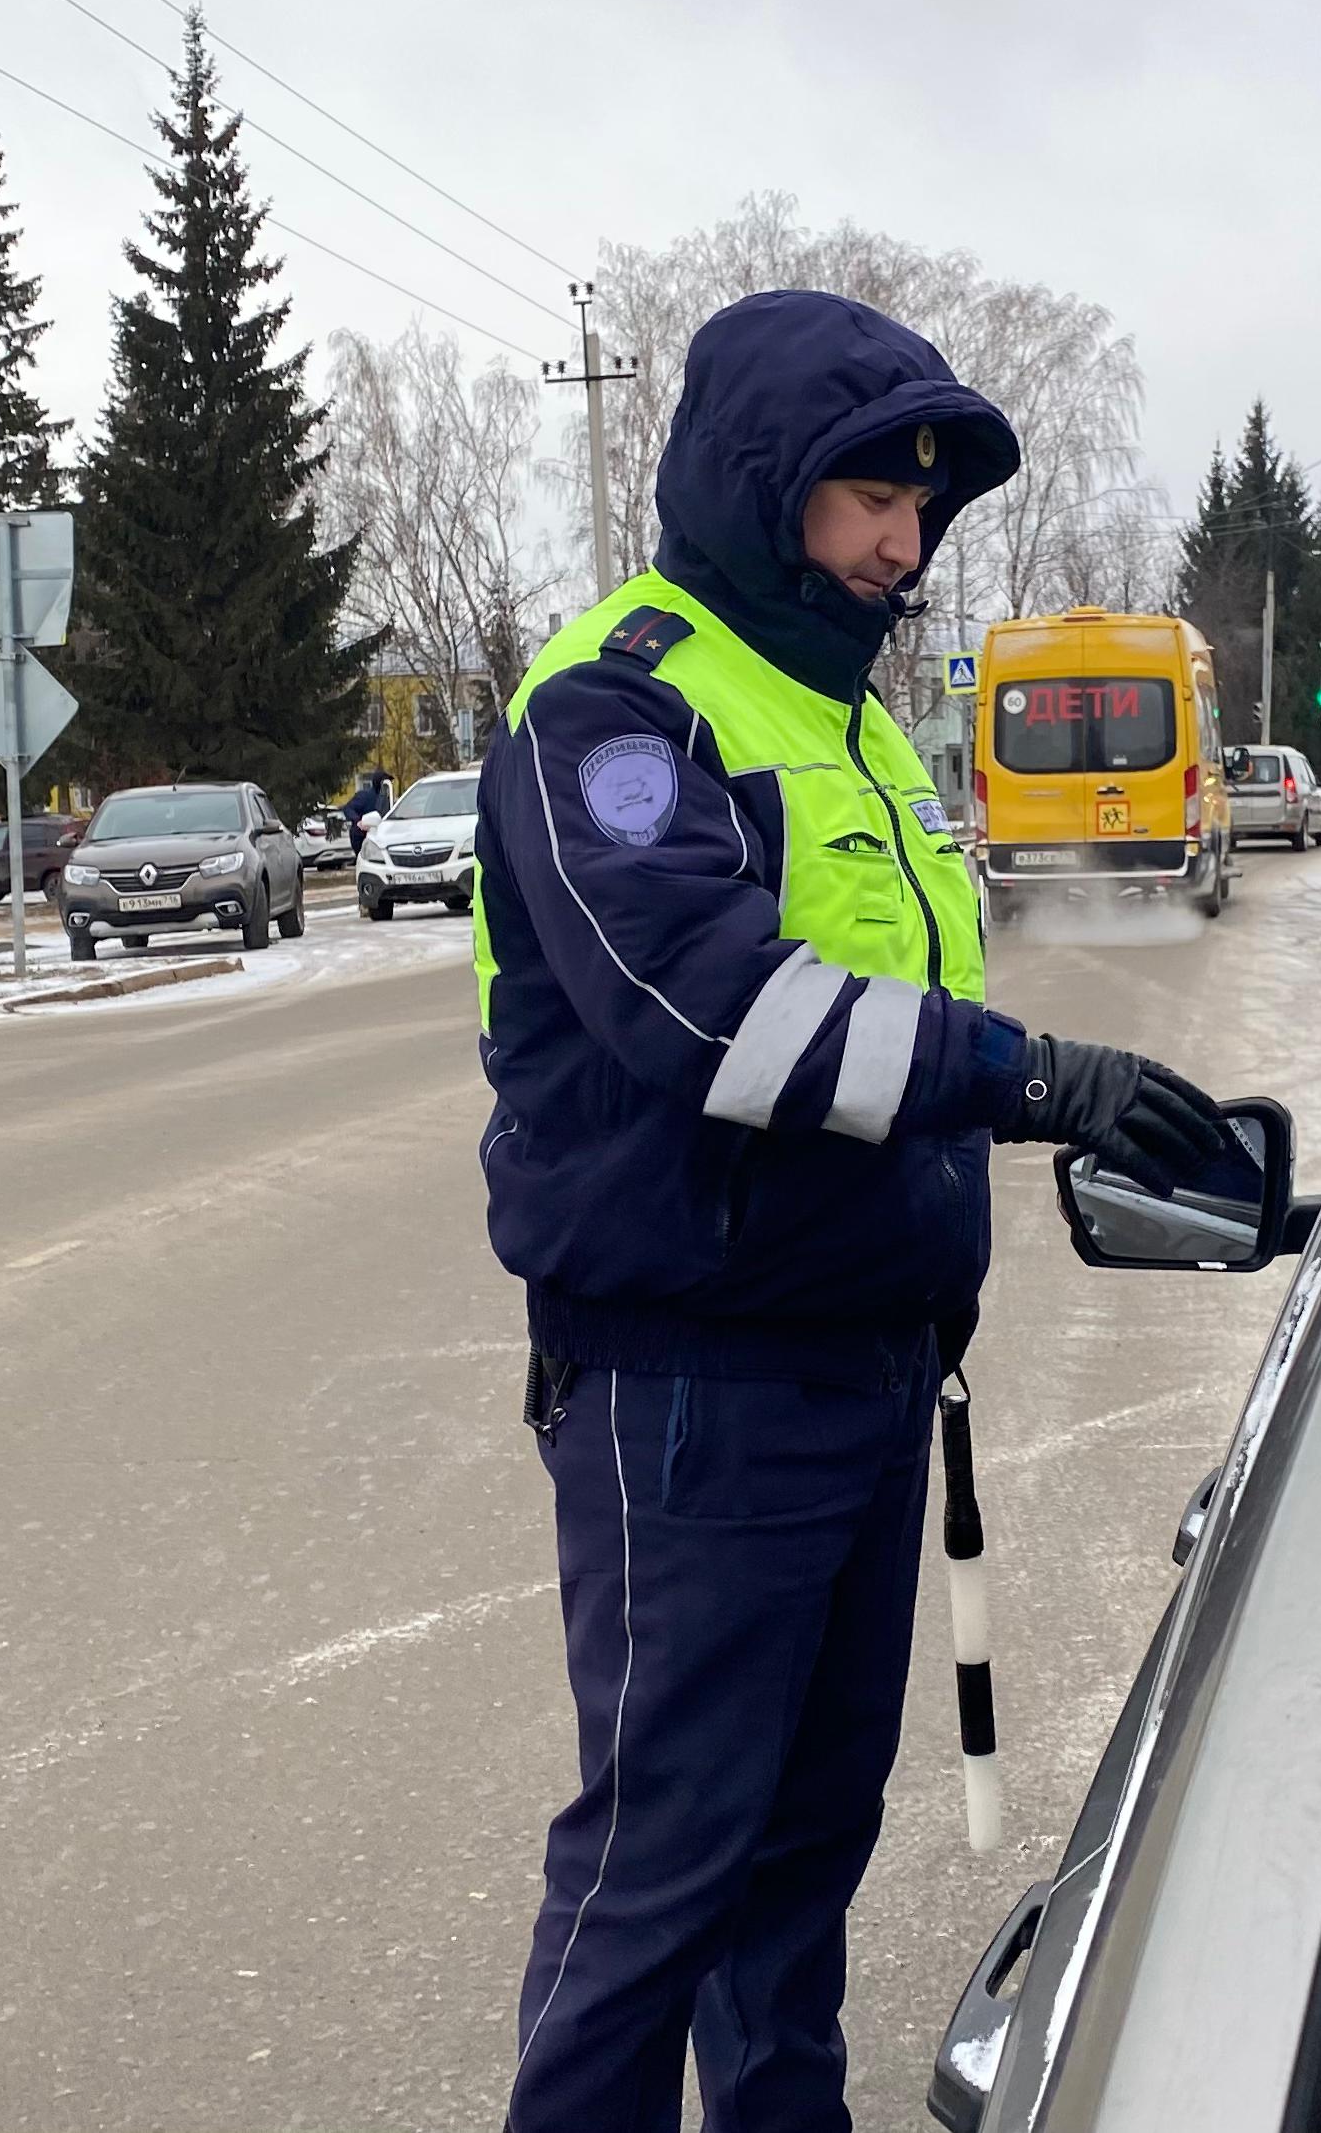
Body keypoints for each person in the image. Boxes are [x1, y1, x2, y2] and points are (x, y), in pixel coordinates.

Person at [471, 288, 1241, 2133]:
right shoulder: (622, 705)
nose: (903, 540)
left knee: (802, 1853)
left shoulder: (861, 733)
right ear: (761, 487)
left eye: (920, 504)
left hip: (861, 1368)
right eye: (863, 497)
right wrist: (1028, 1078)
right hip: (696, 1388)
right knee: (665, 1861)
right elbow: (711, 1008)